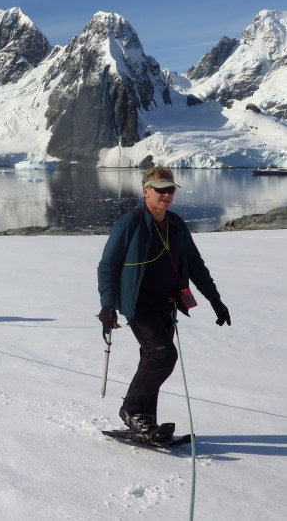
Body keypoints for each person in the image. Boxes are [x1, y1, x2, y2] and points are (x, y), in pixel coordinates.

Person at [97, 166, 231, 435]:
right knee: (162, 355)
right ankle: (132, 410)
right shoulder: (131, 223)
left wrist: (215, 299)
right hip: (138, 304)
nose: (167, 195)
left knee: (151, 357)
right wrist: (107, 305)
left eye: (170, 190)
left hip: (167, 304)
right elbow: (108, 265)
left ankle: (145, 418)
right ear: (146, 192)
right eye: (161, 189)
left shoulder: (176, 224)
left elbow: (194, 263)